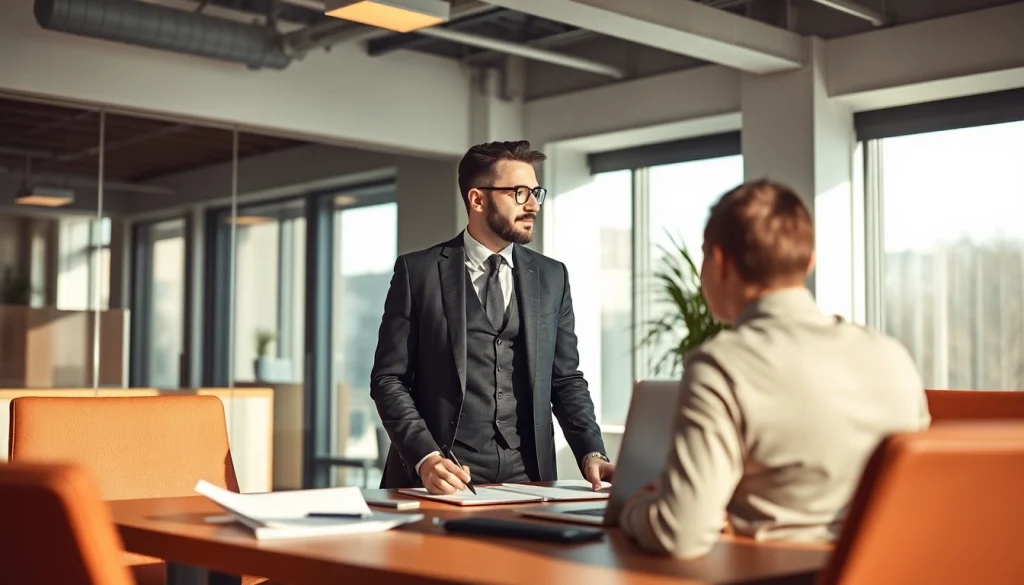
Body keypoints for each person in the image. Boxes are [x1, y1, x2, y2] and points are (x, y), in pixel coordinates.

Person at [620, 179, 931, 558]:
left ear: (719, 262)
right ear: (809, 260)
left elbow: (678, 532)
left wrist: (633, 511)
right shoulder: (892, 355)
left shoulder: (721, 365)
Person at [370, 140, 614, 494]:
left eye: (535, 192)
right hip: (444, 480)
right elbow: (388, 380)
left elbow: (565, 379)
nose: (533, 205)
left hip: (530, 478)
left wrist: (591, 450)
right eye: (519, 193)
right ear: (478, 199)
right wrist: (425, 458)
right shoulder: (418, 272)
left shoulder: (552, 277)